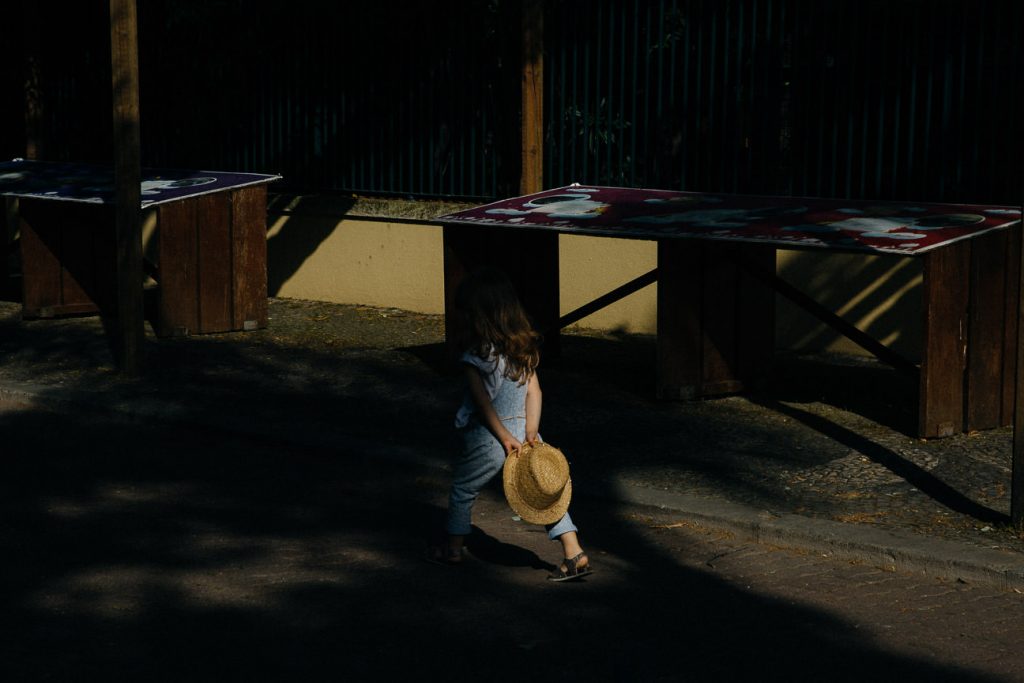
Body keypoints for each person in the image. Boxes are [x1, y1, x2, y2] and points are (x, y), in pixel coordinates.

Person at [426, 266, 592, 581]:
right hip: (526, 433)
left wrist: (503, 438)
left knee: (463, 488)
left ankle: (453, 549)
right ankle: (574, 552)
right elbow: (535, 391)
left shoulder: (476, 356)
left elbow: (483, 404)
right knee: (544, 496)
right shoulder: (522, 350)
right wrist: (531, 432)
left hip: (490, 436)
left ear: (479, 315)